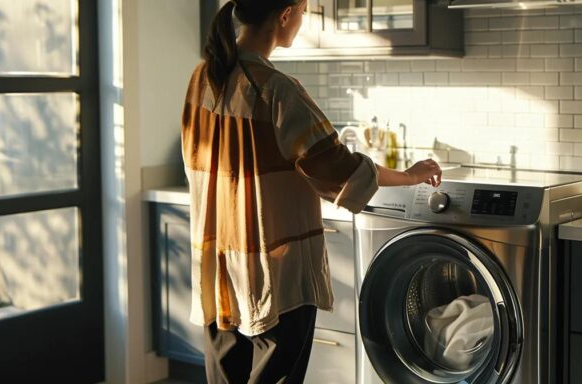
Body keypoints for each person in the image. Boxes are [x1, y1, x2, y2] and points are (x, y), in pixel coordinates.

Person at [181, 0, 443, 382]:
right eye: (303, 10)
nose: (303, 21)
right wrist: (409, 175)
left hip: (218, 263)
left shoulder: (203, 77)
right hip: (273, 270)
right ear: (285, 15)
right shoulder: (276, 89)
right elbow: (337, 168)